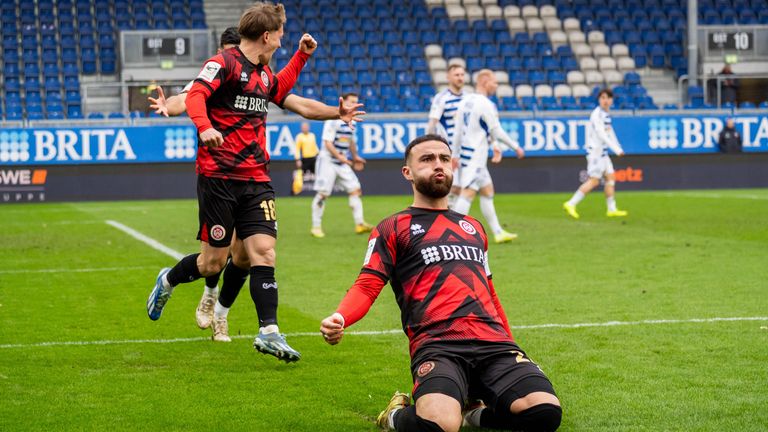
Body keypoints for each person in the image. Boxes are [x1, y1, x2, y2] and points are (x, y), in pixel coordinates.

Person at [146, 2, 365, 362]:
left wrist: (334, 110)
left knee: (262, 252)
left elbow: (294, 100)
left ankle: (269, 332)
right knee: (212, 264)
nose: (281, 40)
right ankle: (168, 280)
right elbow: (195, 95)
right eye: (280, 34)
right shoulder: (224, 63)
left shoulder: (264, 74)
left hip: (257, 178)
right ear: (266, 35)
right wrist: (205, 127)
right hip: (219, 178)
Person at [320, 134, 562, 432]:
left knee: (545, 412)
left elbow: (490, 294)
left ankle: (473, 414)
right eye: (427, 159)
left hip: (494, 345)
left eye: (444, 159)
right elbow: (367, 285)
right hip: (438, 346)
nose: (438, 165)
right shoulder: (393, 227)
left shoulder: (473, 227)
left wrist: (513, 345)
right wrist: (341, 317)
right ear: (407, 172)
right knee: (440, 426)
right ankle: (394, 416)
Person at [147, 27, 244, 341]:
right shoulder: (212, 74)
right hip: (216, 176)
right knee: (217, 257)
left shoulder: (255, 77)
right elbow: (185, 98)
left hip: (251, 175)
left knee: (246, 254)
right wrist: (170, 106)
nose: (232, 58)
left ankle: (220, 315)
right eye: (227, 52)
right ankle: (194, 288)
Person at [450, 69, 524, 244]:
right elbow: (496, 130)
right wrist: (515, 147)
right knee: (468, 193)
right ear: (484, 82)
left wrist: (455, 154)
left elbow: (458, 130)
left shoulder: (465, 101)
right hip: (475, 156)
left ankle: (498, 232)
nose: (496, 86)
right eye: (494, 82)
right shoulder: (485, 104)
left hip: (468, 154)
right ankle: (451, 233)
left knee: (487, 191)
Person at [310, 92, 373, 238]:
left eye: (356, 102)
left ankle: (359, 224)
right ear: (343, 102)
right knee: (323, 194)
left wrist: (355, 157)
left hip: (342, 161)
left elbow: (351, 141)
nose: (354, 105)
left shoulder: (353, 121)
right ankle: (316, 227)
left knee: (355, 190)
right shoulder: (333, 120)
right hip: (327, 161)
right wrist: (340, 157)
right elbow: (327, 142)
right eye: (351, 102)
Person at [563, 88, 628, 219]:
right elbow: (601, 134)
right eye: (602, 98)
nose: (605, 100)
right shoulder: (597, 114)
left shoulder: (606, 115)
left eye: (608, 98)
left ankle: (611, 209)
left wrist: (618, 146)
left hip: (604, 153)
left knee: (611, 178)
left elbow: (610, 132)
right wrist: (616, 149)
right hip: (596, 153)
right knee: (594, 181)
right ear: (599, 100)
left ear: (611, 100)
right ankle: (571, 203)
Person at [148, 27, 242, 117]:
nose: (233, 60)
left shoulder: (250, 78)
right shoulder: (206, 80)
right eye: (228, 54)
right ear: (219, 53)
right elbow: (182, 100)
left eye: (238, 54)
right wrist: (167, 106)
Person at [426, 64, 467, 206]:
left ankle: (449, 213)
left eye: (462, 75)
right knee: (451, 185)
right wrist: (429, 145)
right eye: (456, 75)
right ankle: (444, 213)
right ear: (448, 77)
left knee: (462, 188)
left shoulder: (468, 98)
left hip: (465, 149)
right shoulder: (441, 98)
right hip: (449, 149)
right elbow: (432, 123)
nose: (460, 78)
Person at [292, 121, 319, 194]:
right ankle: (296, 190)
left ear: (309, 127)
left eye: (306, 127)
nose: (305, 128)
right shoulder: (299, 137)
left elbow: (315, 146)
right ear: (301, 128)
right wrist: (298, 159)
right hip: (305, 159)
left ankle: (320, 190)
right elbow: (297, 149)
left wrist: (318, 154)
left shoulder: (312, 135)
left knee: (318, 174)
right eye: (303, 127)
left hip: (313, 158)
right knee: (299, 175)